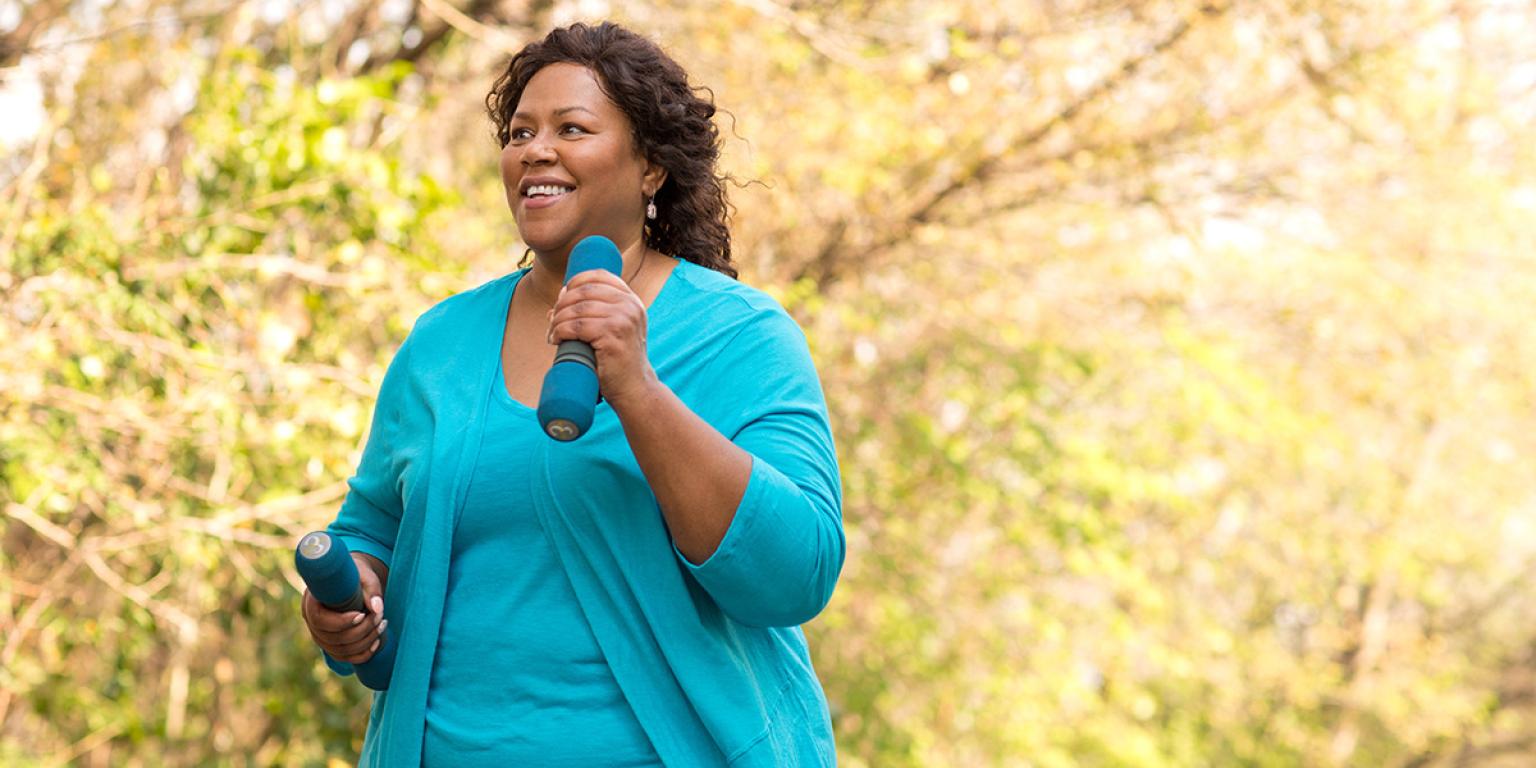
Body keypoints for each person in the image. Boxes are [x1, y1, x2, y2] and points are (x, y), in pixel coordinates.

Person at [299, 21, 845, 767]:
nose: (536, 149)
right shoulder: (442, 343)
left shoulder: (740, 335)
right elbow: (374, 528)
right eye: (519, 131)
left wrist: (638, 389)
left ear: (651, 167)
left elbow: (796, 574)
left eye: (572, 128)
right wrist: (348, 597)